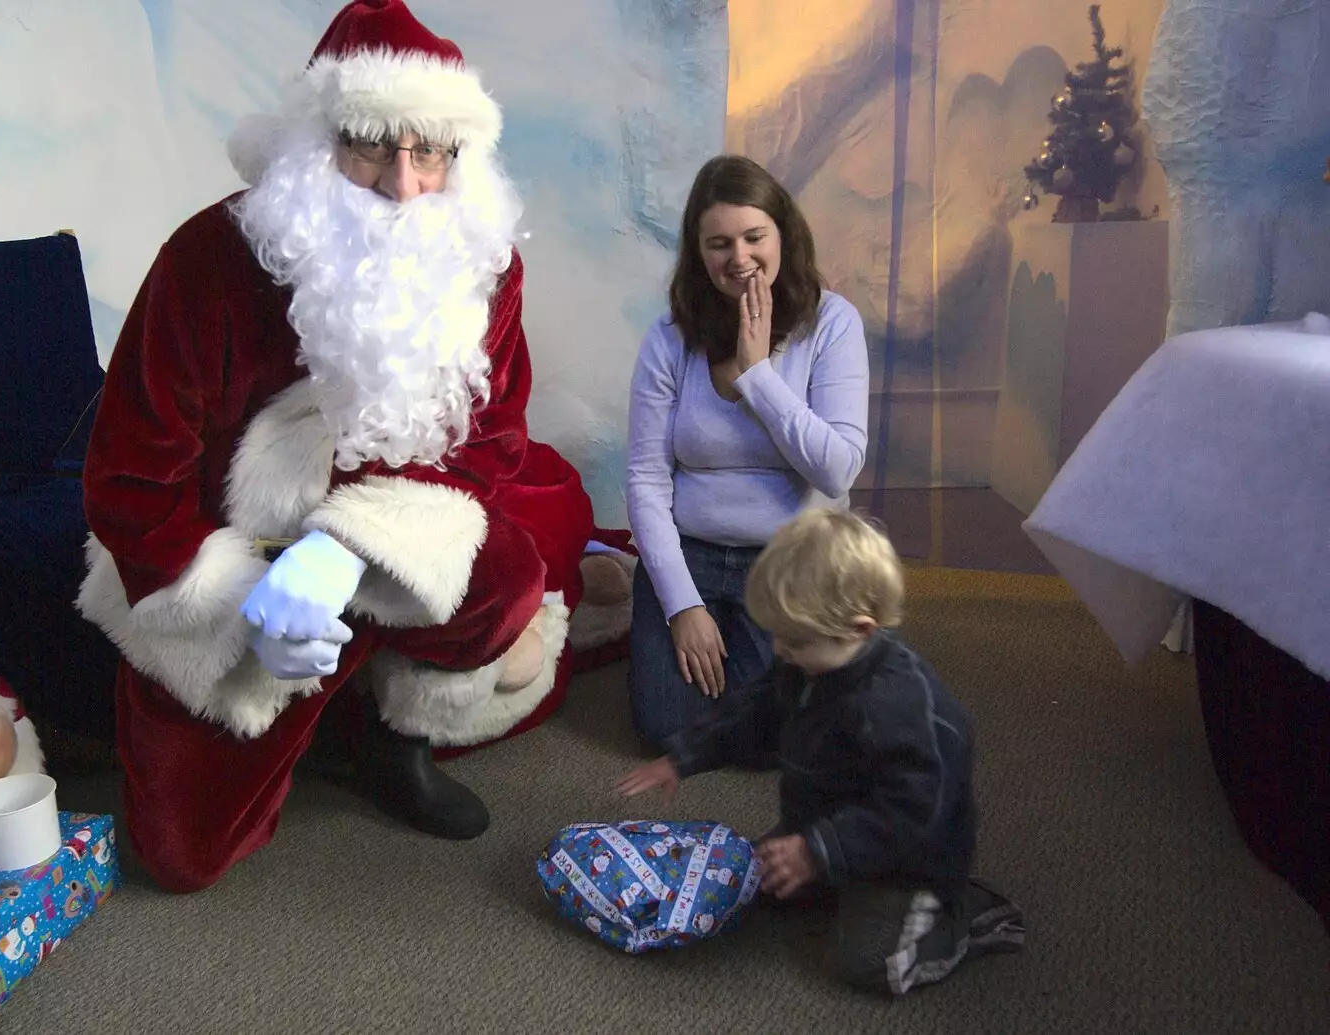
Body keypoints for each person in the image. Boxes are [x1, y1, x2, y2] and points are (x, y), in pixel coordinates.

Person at [77, 0, 631, 893]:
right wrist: (236, 595)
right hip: (240, 565)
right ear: (314, 141)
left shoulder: (483, 259)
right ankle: (317, 709)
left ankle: (388, 736)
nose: (404, 182)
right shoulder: (208, 258)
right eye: (372, 141)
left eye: (432, 150)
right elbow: (131, 475)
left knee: (506, 574)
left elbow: (490, 439)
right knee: (180, 854)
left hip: (377, 553)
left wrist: (349, 550)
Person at [616, 508, 1024, 995]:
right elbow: (754, 714)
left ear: (860, 630)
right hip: (822, 818)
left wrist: (822, 850)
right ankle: (827, 866)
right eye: (777, 636)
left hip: (905, 858)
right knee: (756, 879)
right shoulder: (806, 661)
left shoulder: (899, 705)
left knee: (869, 964)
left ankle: (957, 916)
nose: (780, 651)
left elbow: (912, 812)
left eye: (794, 640)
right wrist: (685, 755)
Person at [625, 154, 871, 751]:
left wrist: (759, 375)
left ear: (782, 232)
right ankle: (696, 633)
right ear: (697, 252)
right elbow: (646, 479)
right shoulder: (669, 336)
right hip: (694, 553)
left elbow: (837, 469)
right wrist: (683, 607)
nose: (739, 258)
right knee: (665, 729)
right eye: (718, 244)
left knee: (771, 741)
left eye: (754, 236)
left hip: (790, 561)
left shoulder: (833, 323)